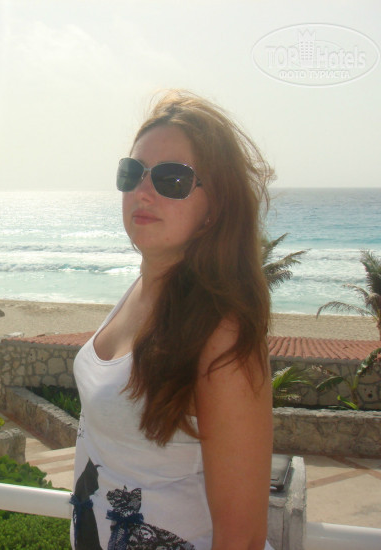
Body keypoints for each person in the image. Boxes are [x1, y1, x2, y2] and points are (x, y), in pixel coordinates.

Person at [70, 90, 274, 550]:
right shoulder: (139, 291)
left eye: (172, 179)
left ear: (215, 207)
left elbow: (242, 538)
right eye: (132, 173)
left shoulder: (221, 334)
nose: (142, 191)